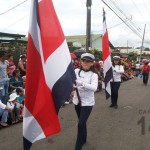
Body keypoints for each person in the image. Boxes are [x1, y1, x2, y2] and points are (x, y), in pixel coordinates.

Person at [72, 53, 98, 150]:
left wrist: (82, 83)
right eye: (83, 60)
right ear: (80, 61)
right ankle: (84, 138)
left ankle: (78, 146)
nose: (85, 63)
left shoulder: (94, 74)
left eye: (88, 61)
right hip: (77, 101)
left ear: (92, 63)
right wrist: (74, 85)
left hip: (87, 103)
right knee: (82, 122)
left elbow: (94, 88)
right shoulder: (76, 71)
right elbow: (72, 83)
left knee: (80, 124)